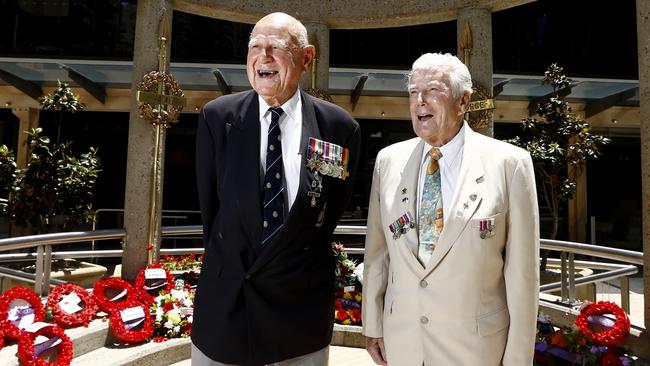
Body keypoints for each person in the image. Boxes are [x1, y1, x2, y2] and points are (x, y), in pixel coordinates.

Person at [192, 12, 361, 366]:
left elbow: (329, 211)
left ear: (307, 58)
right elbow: (211, 208)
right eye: (256, 46)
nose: (263, 57)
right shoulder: (217, 117)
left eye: (277, 47)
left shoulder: (338, 127)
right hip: (227, 308)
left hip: (299, 309)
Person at [361, 53, 539, 366]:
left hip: (476, 349)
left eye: (432, 91)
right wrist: (373, 325)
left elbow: (522, 274)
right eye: (413, 92)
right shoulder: (388, 161)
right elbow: (377, 253)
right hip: (404, 345)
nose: (419, 102)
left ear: (463, 101)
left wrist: (518, 358)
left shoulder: (510, 164)